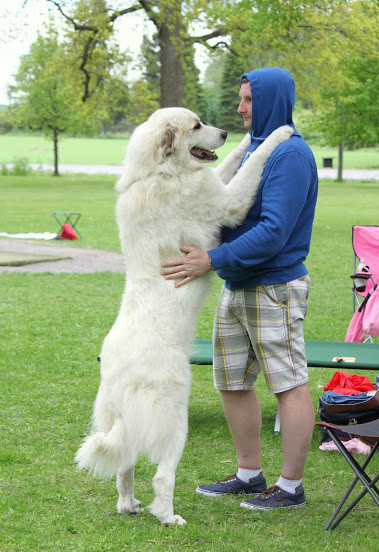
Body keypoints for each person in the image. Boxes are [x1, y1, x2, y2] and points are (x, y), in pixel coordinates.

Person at [160, 67, 318, 510]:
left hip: (274, 287)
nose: (240, 108)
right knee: (231, 382)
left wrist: (211, 259)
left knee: (288, 385)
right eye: (241, 98)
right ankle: (249, 475)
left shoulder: (290, 155)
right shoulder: (254, 150)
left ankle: (290, 488)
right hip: (237, 284)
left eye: (248, 100)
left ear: (270, 101)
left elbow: (273, 232)